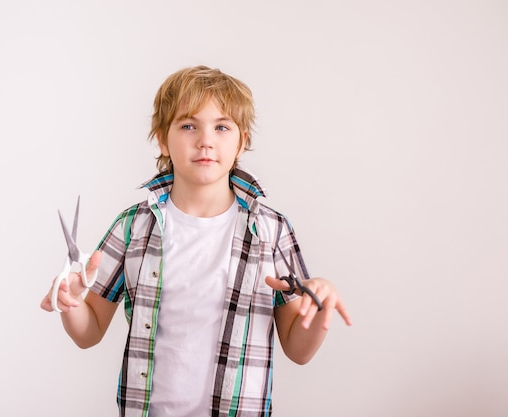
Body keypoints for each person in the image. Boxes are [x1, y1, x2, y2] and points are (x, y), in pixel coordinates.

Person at [41, 65, 352, 416]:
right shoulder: (132, 226)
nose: (206, 140)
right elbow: (88, 332)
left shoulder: (271, 231)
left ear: (242, 140)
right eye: (188, 125)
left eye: (222, 127)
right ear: (162, 138)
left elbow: (299, 350)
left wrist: (320, 307)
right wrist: (71, 301)